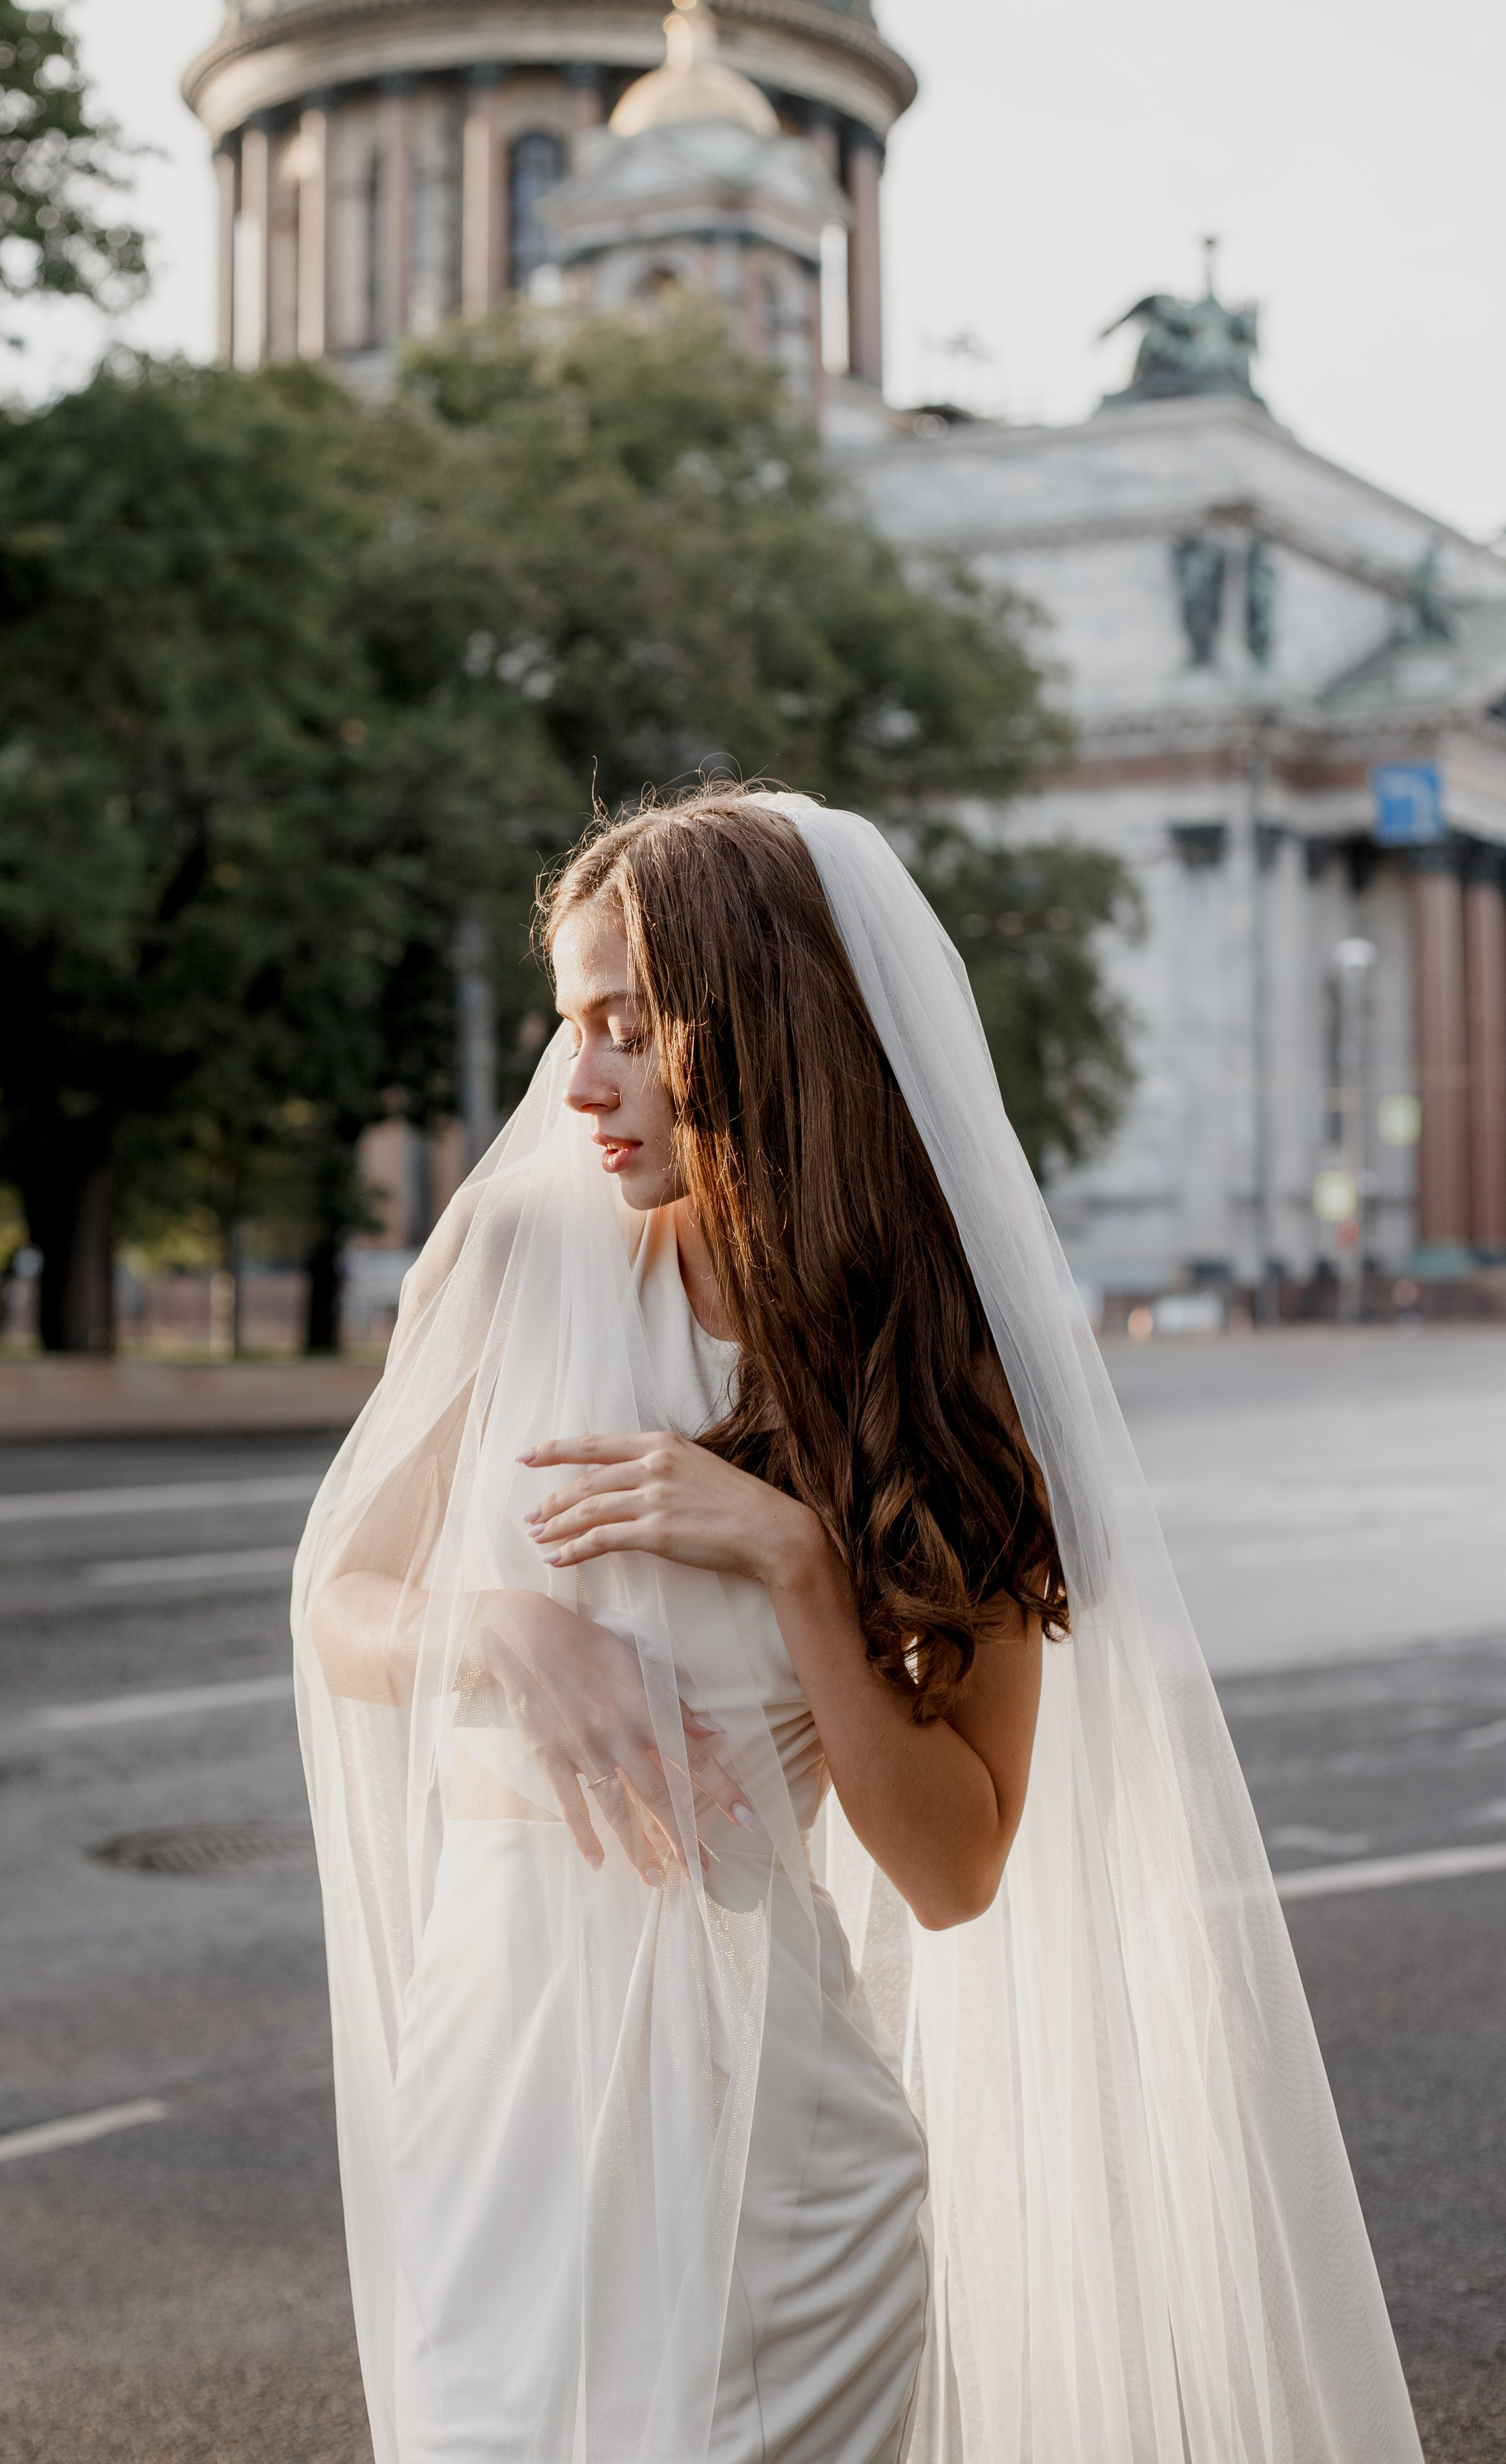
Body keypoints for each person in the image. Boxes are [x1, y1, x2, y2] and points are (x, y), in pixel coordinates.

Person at [292, 789, 1421, 2464]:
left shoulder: (937, 1374)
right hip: (503, 2099)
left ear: (759, 1025)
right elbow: (340, 1604)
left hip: (787, 2172)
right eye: (566, 1029)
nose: (578, 1082)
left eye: (629, 1028)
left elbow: (955, 1869)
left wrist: (798, 1567)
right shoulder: (517, 1247)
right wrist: (503, 1636)